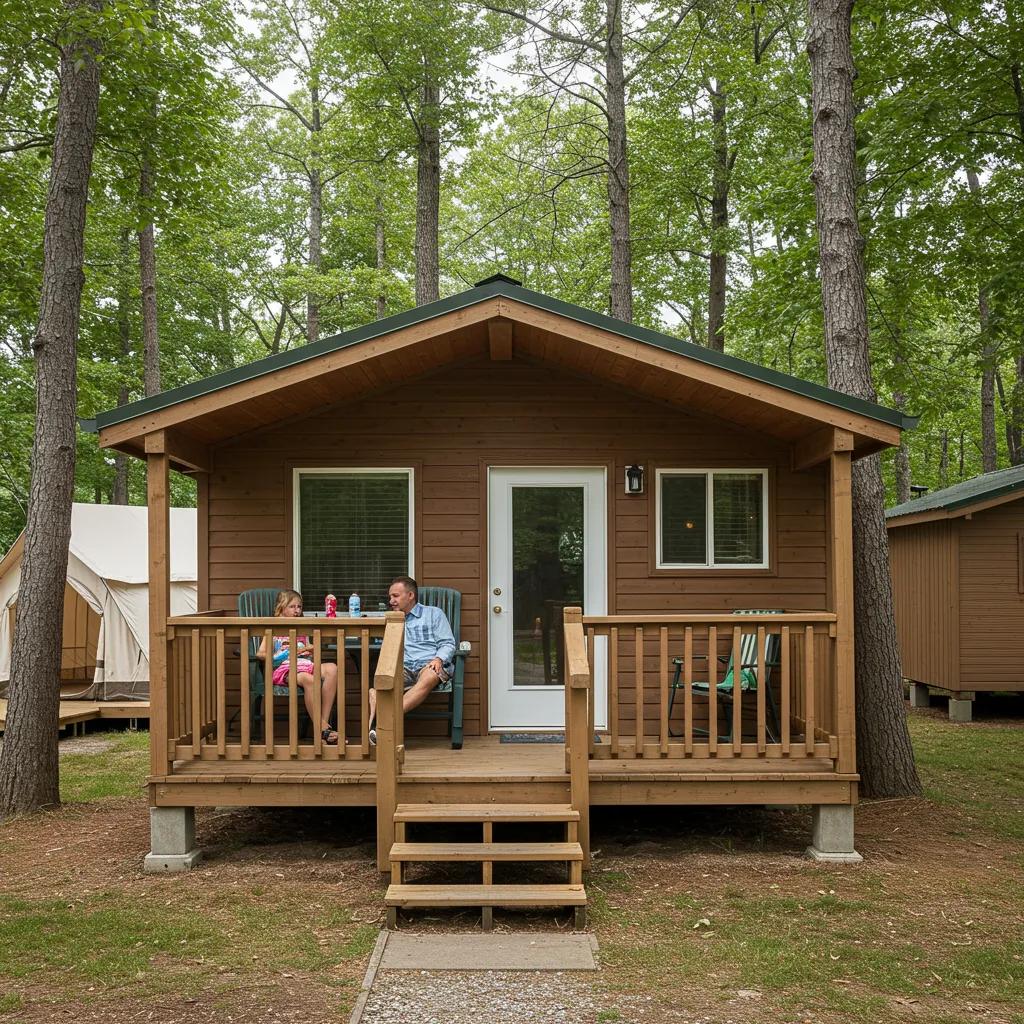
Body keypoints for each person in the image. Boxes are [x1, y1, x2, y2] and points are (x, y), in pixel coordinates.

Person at [368, 576, 455, 745]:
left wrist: (439, 658)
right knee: (382, 683)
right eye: (390, 597)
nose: (391, 601)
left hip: (429, 664)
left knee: (430, 675)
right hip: (404, 667)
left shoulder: (433, 614)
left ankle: (383, 723)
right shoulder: (391, 619)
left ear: (410, 595)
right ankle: (381, 715)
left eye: (395, 596)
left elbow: (448, 643)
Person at [256, 589, 340, 744]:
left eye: (299, 607)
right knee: (308, 679)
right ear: (281, 608)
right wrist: (279, 654)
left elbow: (309, 649)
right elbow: (260, 653)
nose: (297, 611)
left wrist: (310, 650)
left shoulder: (302, 626)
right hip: (285, 669)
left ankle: (323, 725)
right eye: (292, 607)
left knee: (332, 668)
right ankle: (323, 730)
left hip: (305, 664)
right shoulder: (273, 628)